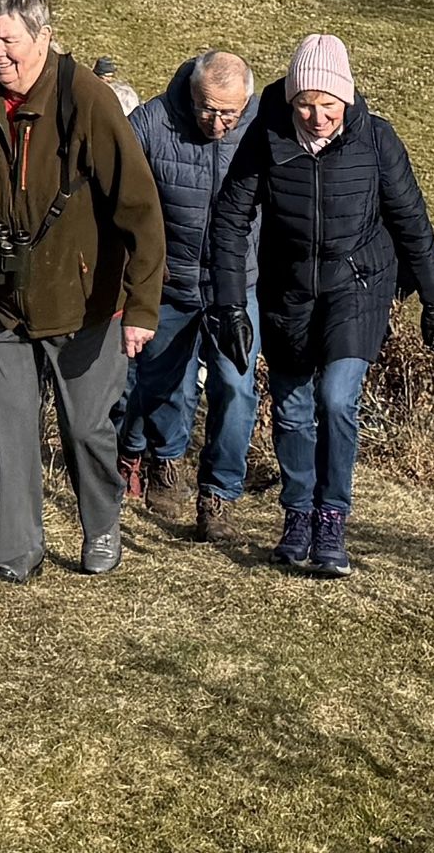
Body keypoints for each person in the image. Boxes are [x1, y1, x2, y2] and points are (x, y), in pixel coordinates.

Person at [0, 0, 165, 584]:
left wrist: (141, 307)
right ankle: (18, 547)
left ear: (44, 36)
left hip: (85, 302)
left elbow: (139, 208)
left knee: (85, 429)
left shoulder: (88, 100)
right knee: (5, 423)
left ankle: (101, 524)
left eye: (9, 43)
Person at [206, 33, 434, 580]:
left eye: (329, 105)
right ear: (291, 101)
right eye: (305, 105)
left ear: (347, 99)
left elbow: (412, 218)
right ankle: (297, 515)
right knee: (292, 408)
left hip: (357, 284)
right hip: (287, 288)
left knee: (337, 398)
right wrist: (230, 305)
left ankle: (333, 516)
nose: (317, 117)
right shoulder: (265, 139)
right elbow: (229, 220)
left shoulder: (376, 140)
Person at [118, 49, 261, 539]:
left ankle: (218, 494)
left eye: (230, 113)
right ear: (191, 93)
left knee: (237, 388)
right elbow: (115, 191)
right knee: (163, 383)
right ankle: (167, 460)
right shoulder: (152, 123)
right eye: (208, 109)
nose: (218, 123)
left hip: (237, 286)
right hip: (168, 281)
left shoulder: (262, 127)